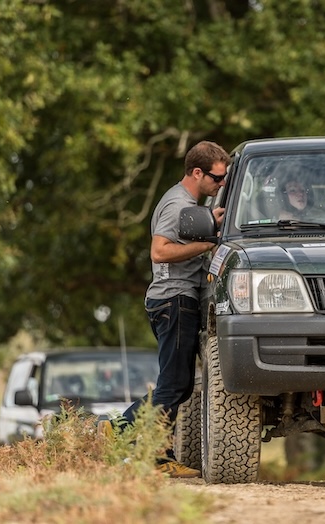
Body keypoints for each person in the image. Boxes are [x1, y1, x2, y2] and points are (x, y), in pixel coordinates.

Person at [105, 140, 230, 478]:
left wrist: (210, 220)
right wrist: (207, 244)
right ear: (197, 172)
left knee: (178, 384)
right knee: (174, 385)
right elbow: (159, 251)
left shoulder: (188, 204)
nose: (220, 185)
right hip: (174, 299)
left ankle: (160, 457)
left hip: (174, 299)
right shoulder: (178, 204)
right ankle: (118, 432)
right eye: (217, 179)